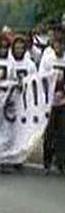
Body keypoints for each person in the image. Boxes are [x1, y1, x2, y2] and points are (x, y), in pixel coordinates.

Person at [39, 29, 65, 174]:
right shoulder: (47, 58)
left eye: (61, 44)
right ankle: (47, 161)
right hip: (49, 101)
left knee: (62, 132)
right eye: (56, 44)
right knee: (49, 132)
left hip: (63, 101)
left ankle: (61, 161)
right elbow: (41, 77)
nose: (58, 47)